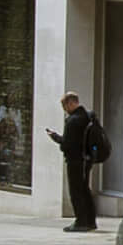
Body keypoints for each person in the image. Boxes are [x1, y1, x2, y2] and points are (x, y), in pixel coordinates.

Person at [45, 92, 106, 232]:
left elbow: (67, 144)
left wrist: (55, 137)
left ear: (71, 103)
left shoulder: (73, 121)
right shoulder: (89, 116)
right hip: (88, 159)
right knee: (85, 190)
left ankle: (81, 221)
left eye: (65, 106)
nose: (65, 110)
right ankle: (90, 221)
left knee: (76, 191)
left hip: (76, 160)